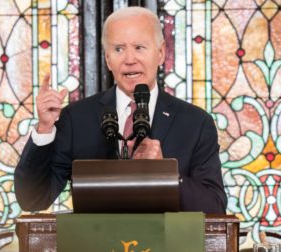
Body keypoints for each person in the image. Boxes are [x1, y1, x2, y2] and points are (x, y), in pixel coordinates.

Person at [14, 6, 227, 213]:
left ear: (161, 53)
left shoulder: (195, 123)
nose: (129, 60)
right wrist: (44, 129)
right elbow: (32, 200)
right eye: (118, 49)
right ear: (108, 59)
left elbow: (214, 206)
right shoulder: (77, 119)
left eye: (139, 48)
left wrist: (167, 174)